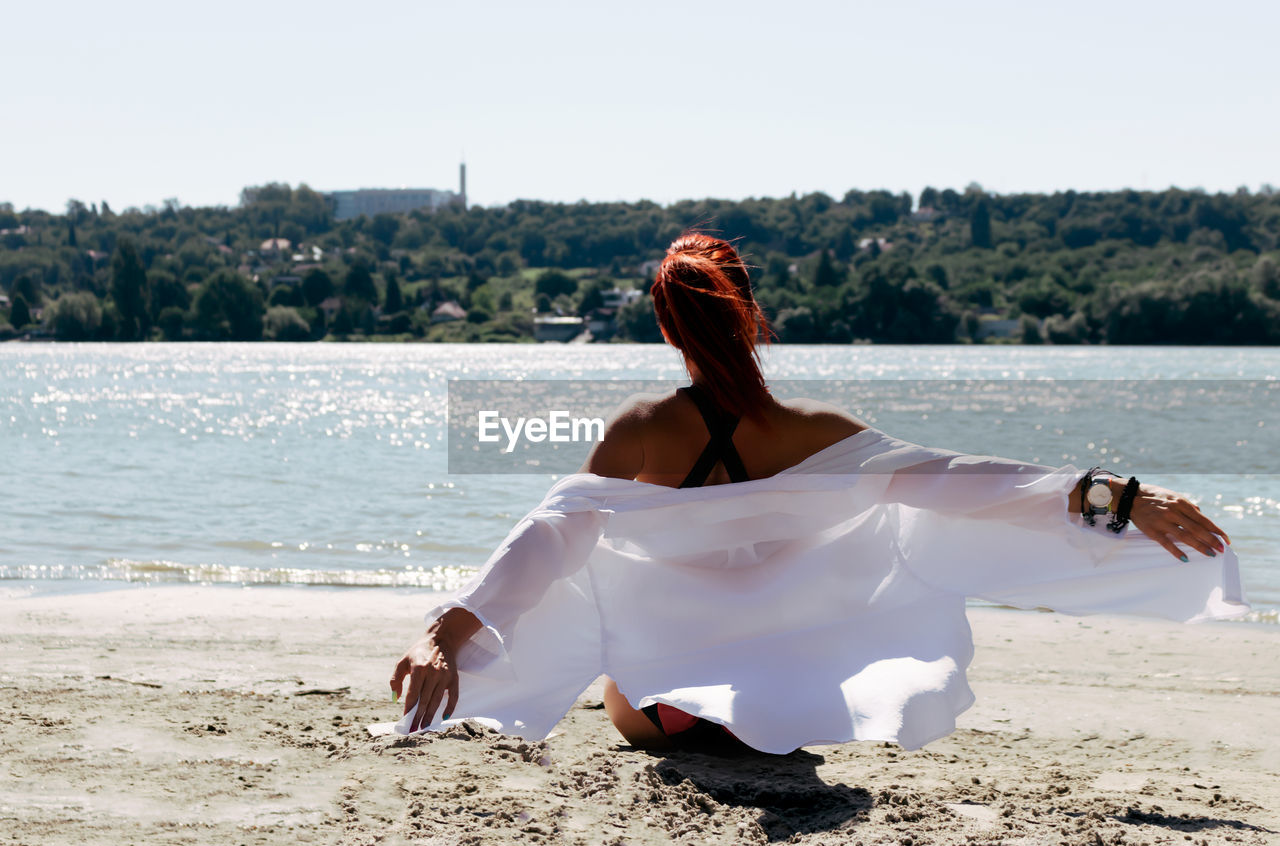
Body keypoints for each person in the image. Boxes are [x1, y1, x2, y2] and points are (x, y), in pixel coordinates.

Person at [386, 233, 1241, 754]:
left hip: (664, 713)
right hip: (790, 713)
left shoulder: (641, 427)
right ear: (754, 314)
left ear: (666, 328)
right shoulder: (820, 432)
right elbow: (972, 484)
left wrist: (444, 633)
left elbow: (548, 539)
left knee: (603, 601)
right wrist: (1114, 498)